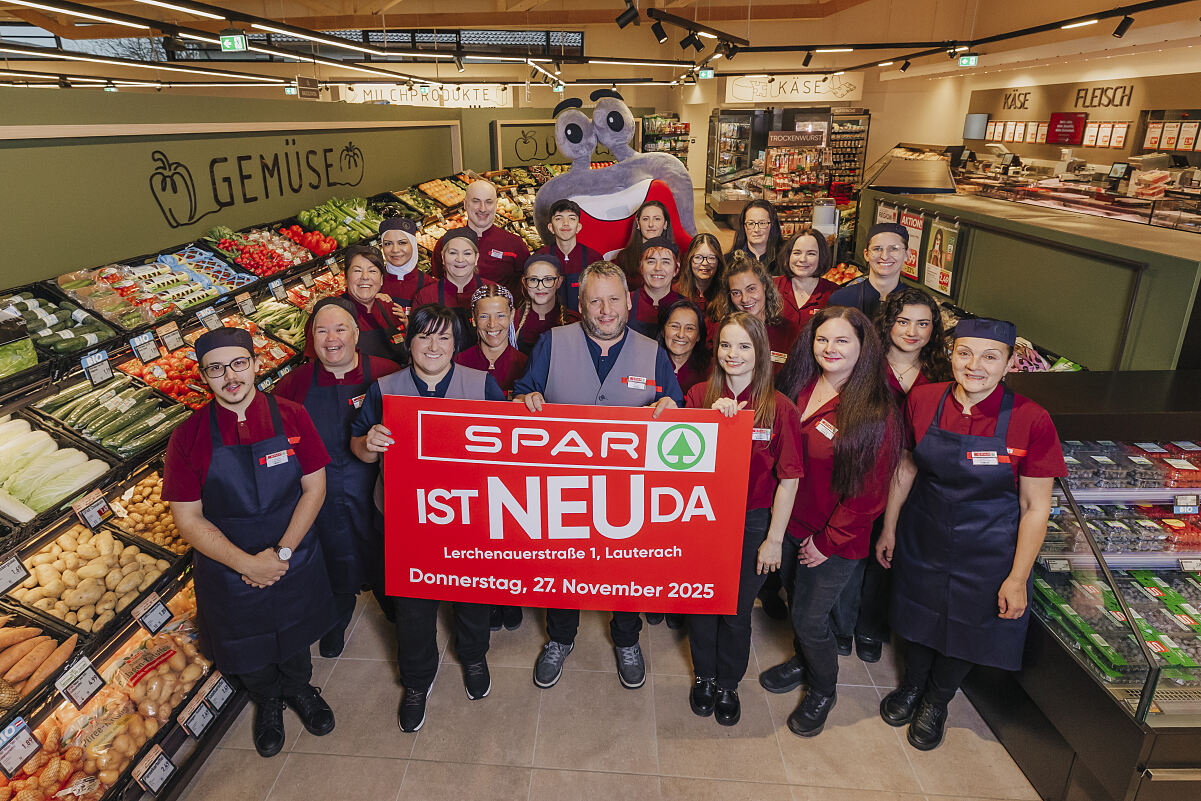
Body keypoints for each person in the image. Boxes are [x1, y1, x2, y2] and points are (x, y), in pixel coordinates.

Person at [876, 318, 1065, 751]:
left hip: (990, 548)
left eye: (989, 357)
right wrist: (889, 527)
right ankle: (912, 685)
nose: (974, 365)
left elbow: (1035, 507)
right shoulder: (923, 400)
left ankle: (937, 700)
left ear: (1010, 363)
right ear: (951, 354)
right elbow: (906, 467)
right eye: (965, 353)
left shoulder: (1031, 419)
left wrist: (1017, 577)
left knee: (968, 627)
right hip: (924, 532)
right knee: (918, 614)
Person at [164, 327, 335, 759]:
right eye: (216, 369)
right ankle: (268, 700)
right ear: (204, 376)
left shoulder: (293, 416)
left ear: (256, 365)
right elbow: (187, 518)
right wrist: (247, 564)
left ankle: (299, 688)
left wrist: (281, 553)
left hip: (291, 555)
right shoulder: (187, 436)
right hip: (228, 568)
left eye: (239, 363)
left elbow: (315, 488)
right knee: (248, 644)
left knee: (295, 633)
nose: (230, 376)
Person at [513, 260, 684, 691]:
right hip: (563, 492)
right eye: (595, 301)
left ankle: (627, 639)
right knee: (561, 570)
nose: (605, 310)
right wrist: (524, 401)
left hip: (627, 497)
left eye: (613, 300)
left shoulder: (653, 352)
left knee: (626, 572)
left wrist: (673, 409)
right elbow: (522, 396)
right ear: (580, 304)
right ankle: (560, 638)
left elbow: (677, 411)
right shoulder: (552, 343)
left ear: (628, 302)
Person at [350, 304, 507, 733]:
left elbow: (510, 446)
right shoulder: (385, 389)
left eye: (443, 337)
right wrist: (368, 442)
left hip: (469, 518)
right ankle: (417, 680)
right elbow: (358, 447)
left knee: (473, 597)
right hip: (406, 522)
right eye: (423, 336)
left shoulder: (482, 384)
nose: (433, 346)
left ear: (457, 343)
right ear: (410, 343)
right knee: (413, 608)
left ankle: (473, 656)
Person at [758, 307, 901, 739]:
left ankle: (823, 689)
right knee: (795, 599)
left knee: (810, 619)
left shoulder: (876, 411)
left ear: (863, 347)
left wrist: (827, 541)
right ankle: (803, 661)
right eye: (822, 339)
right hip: (788, 524)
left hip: (834, 539)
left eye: (842, 341)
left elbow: (870, 494)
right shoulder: (798, 385)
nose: (830, 348)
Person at [685, 312, 802, 726]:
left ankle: (728, 683)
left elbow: (789, 480)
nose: (732, 354)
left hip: (752, 522)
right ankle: (704, 676)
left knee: (735, 611)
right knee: (701, 604)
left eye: (744, 346)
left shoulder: (780, 407)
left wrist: (774, 539)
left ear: (761, 352)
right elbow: (678, 467)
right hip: (701, 518)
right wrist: (709, 424)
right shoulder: (699, 396)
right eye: (725, 345)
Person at [272, 297, 401, 659]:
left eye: (340, 329)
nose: (331, 339)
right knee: (333, 559)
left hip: (377, 491)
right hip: (321, 496)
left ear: (356, 334)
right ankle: (336, 615)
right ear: (311, 338)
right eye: (322, 331)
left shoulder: (388, 373)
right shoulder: (292, 386)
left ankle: (394, 606)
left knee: (383, 557)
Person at [833, 286, 953, 663]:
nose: (912, 332)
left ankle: (871, 626)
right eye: (903, 322)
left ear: (934, 329)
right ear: (888, 323)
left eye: (923, 324)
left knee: (888, 552)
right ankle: (841, 625)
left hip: (911, 478)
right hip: (862, 470)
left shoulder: (941, 375)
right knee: (850, 551)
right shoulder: (865, 362)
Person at [431, 179, 529, 294]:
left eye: (489, 202)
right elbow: (438, 281)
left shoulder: (515, 244)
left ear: (495, 205)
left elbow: (527, 283)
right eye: (476, 201)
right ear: (465, 204)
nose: (482, 208)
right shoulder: (446, 243)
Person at [712, 253, 798, 368]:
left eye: (751, 289)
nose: (745, 299)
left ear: (764, 286)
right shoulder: (721, 331)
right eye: (736, 293)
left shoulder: (788, 331)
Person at [414, 227, 498, 344]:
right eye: (453, 253)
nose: (460, 259)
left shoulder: (494, 292)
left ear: (476, 258)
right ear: (443, 258)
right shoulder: (425, 297)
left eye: (467, 253)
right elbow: (419, 343)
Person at [454, 284, 527, 399]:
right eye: (484, 316)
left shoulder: (527, 365)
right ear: (474, 317)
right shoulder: (458, 363)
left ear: (512, 315)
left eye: (500, 315)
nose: (492, 324)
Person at [337, 245, 406, 362]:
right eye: (357, 270)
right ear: (346, 278)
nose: (365, 277)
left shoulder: (391, 309)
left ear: (381, 279)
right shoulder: (331, 314)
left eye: (372, 271)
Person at [828, 222, 909, 318]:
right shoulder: (841, 299)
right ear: (866, 255)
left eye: (894, 249)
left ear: (907, 254)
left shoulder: (917, 303)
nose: (884, 256)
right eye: (877, 249)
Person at [536, 198, 599, 312]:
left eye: (572, 218)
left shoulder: (594, 258)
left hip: (584, 319)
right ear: (551, 228)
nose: (565, 223)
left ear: (578, 227)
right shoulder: (539, 259)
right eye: (559, 218)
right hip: (551, 319)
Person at [513, 253, 582, 356]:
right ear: (524, 282)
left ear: (559, 281)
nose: (540, 287)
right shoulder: (513, 320)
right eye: (533, 280)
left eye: (548, 279)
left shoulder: (574, 321)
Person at [774, 229, 838, 328]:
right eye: (797, 253)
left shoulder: (834, 294)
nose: (803, 259)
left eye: (811, 253)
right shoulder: (771, 287)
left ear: (822, 256)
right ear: (788, 255)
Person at [378, 216, 429, 330]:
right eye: (388, 244)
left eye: (402, 243)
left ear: (413, 244)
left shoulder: (430, 285)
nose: (395, 250)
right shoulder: (372, 282)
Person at [629, 237, 682, 339]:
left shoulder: (687, 307)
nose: (658, 268)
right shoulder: (626, 302)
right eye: (651, 262)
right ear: (641, 267)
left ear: (676, 269)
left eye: (665, 262)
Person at [658, 298, 709, 395]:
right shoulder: (648, 364)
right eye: (674, 326)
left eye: (689, 328)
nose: (681, 335)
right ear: (663, 331)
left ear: (698, 336)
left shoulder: (710, 371)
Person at [616, 200, 673, 288]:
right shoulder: (624, 257)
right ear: (638, 223)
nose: (651, 224)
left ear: (665, 224)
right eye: (645, 219)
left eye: (657, 219)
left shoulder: (675, 255)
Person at [676, 233, 726, 320]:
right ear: (690, 260)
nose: (705, 263)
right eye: (698, 257)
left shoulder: (727, 295)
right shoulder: (675, 293)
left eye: (711, 257)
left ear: (719, 261)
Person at [726, 200, 782, 271]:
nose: (756, 229)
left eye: (762, 223)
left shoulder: (784, 260)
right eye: (751, 223)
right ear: (744, 226)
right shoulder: (729, 261)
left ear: (772, 225)